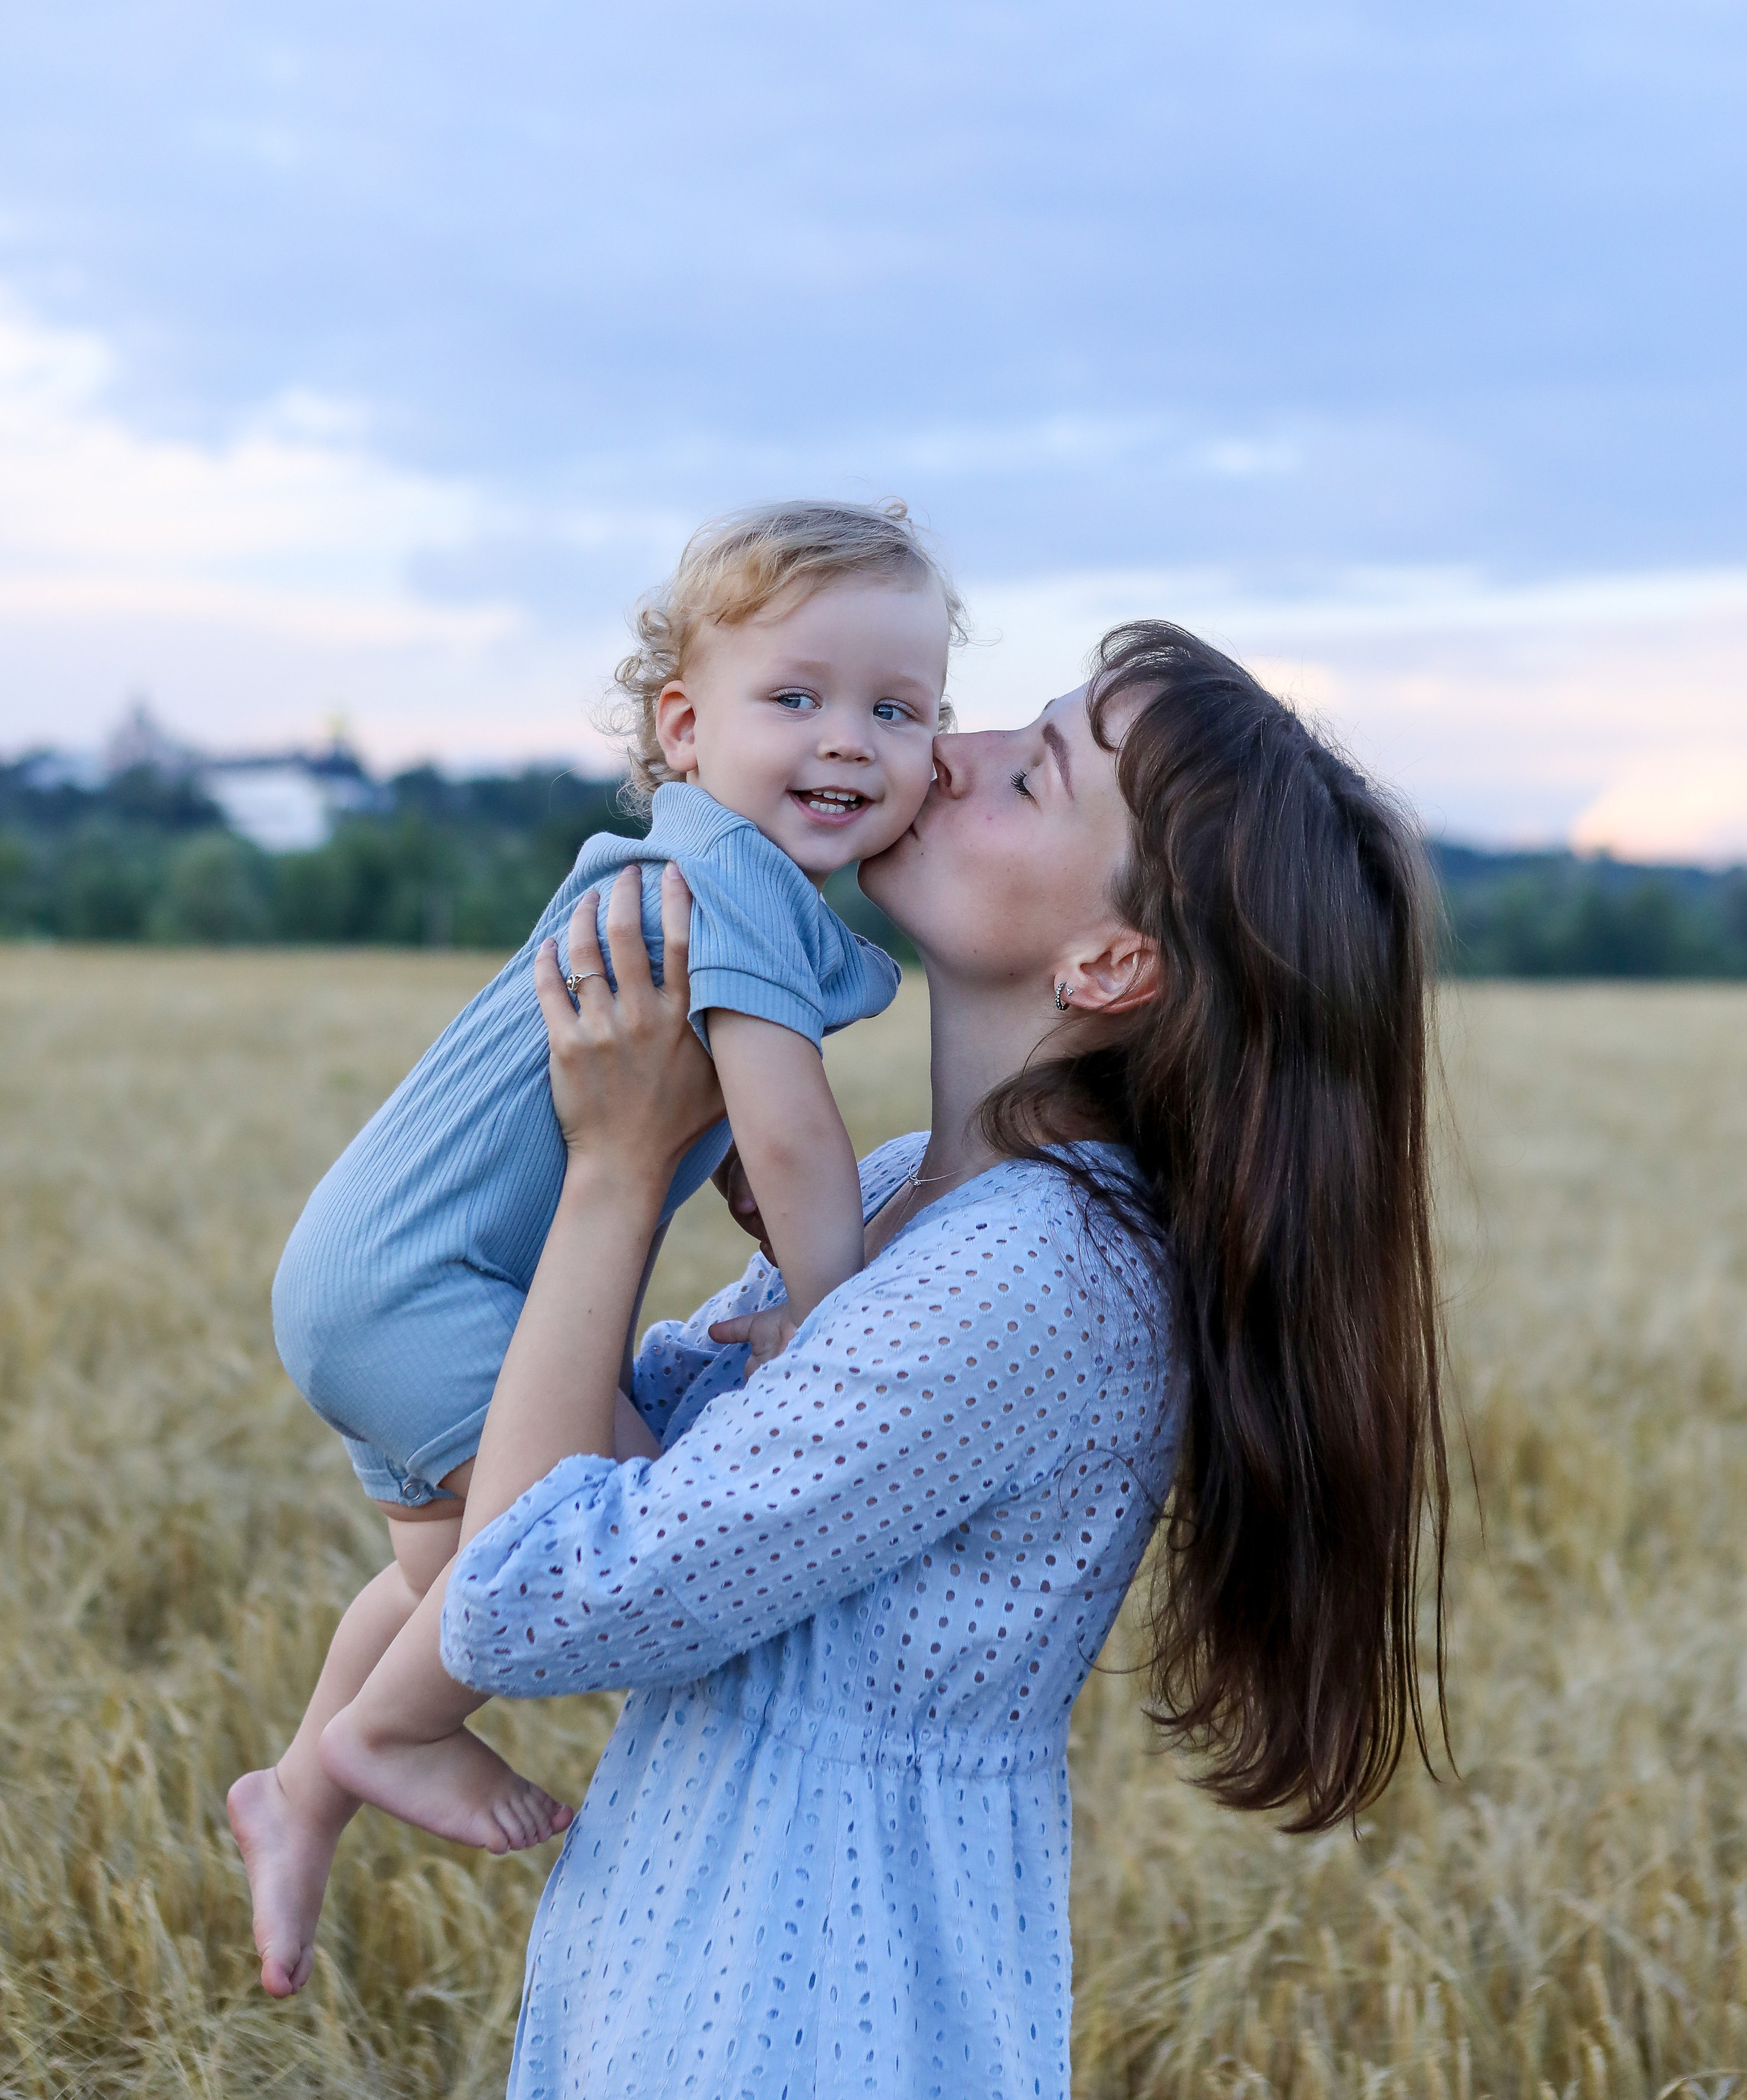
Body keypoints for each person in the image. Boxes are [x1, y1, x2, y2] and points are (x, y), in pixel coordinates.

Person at [437, 621, 1453, 2100]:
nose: (940, 753)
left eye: (1029, 774)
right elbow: (611, 1454)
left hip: (793, 2011)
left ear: (1110, 960)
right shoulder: (911, 1190)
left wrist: (612, 1170)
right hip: (693, 1953)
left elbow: (526, 1598)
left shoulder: (1034, 1273)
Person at [229, 499, 962, 1999]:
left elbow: (717, 1116)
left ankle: (297, 1787)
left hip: (377, 1267)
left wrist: (738, 1182)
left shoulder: (702, 864)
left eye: (897, 710)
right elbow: (792, 1132)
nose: (848, 739)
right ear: (684, 727)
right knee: (615, 1513)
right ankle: (391, 1732)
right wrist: (834, 1318)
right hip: (436, 1290)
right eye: (797, 697)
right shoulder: (737, 877)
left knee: (443, 1570)